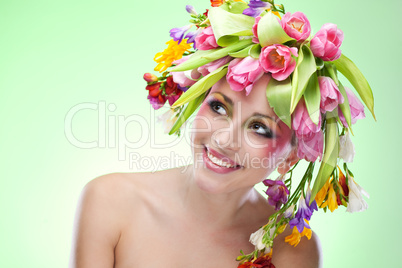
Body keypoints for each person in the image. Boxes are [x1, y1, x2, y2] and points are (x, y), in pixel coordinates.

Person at [69, 1, 374, 267]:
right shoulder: (110, 201)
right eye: (218, 107)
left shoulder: (291, 251)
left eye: (259, 128)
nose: (223, 140)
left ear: (291, 157)